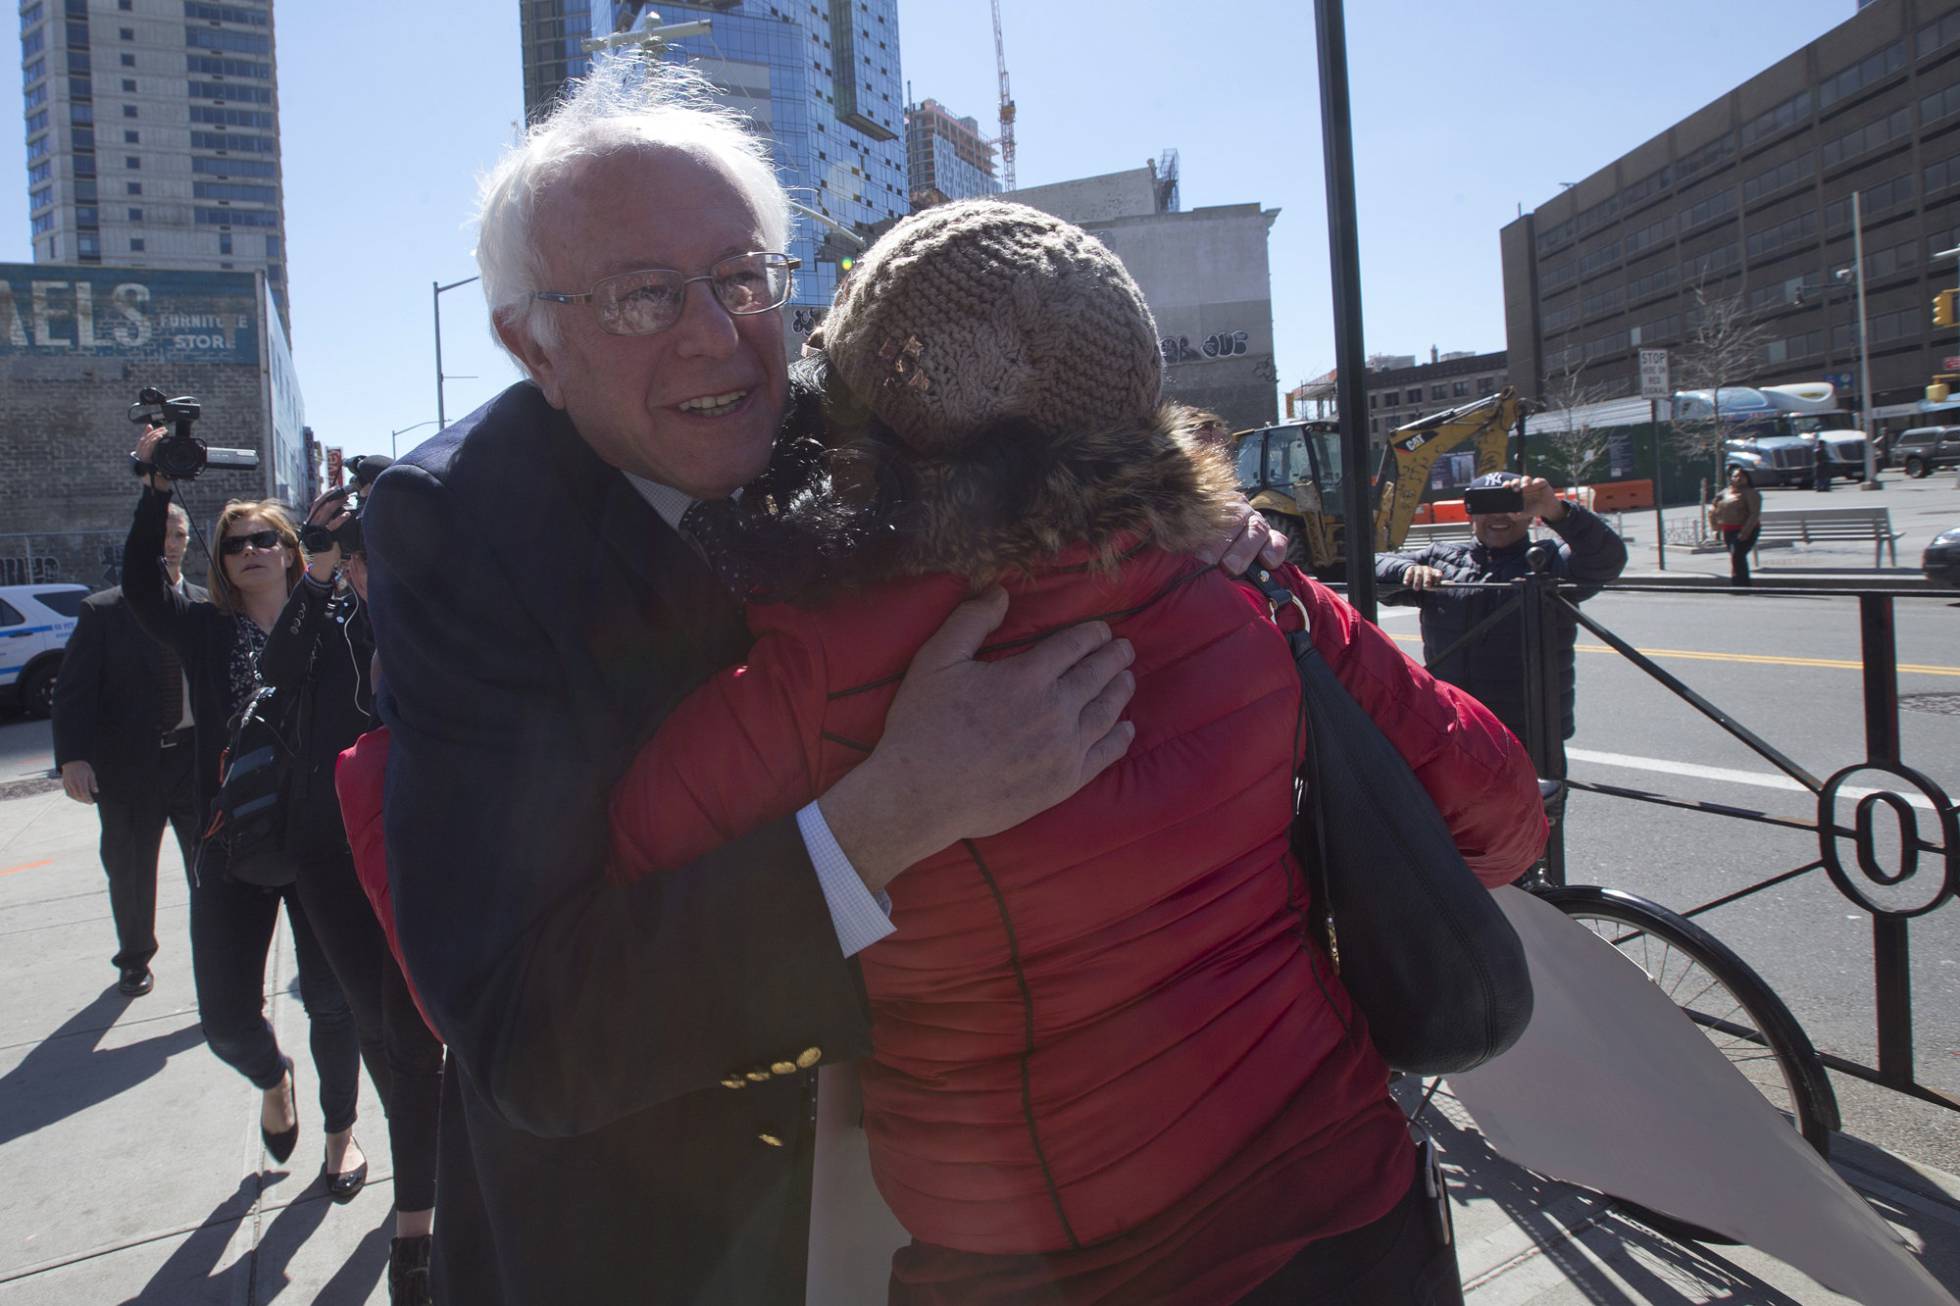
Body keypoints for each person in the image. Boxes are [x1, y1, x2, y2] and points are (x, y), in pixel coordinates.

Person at [357, 59, 1293, 1305]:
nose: (714, 330)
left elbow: (1076, 486)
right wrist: (891, 813)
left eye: (743, 276)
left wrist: (1202, 532)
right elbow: (532, 1029)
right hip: (662, 1231)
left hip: (976, 1195)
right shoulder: (462, 531)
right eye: (641, 297)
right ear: (531, 341)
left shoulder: (862, 412)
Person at [603, 200, 1547, 1304]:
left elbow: (610, 927)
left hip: (1012, 1265)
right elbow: (1502, 816)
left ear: (858, 397)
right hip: (1338, 1218)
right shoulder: (1247, 588)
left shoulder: (802, 673)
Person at [120, 440, 365, 1194]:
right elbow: (138, 583)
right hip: (235, 846)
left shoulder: (341, 616)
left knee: (334, 1002)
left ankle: (340, 1139)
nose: (252, 550)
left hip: (327, 842)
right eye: (236, 543)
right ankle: (272, 1078)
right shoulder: (204, 630)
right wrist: (157, 487)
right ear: (220, 564)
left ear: (294, 552)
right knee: (225, 1017)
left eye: (267, 538)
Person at [259, 469, 441, 1305]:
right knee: (372, 1021)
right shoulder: (319, 615)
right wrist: (320, 570)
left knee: (411, 1031)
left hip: (409, 840)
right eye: (348, 554)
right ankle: (416, 1165)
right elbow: (276, 668)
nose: (364, 567)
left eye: (371, 549)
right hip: (329, 850)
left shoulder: (429, 608)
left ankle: (417, 1221)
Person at [52, 502, 204, 997]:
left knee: (213, 871)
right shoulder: (103, 611)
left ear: (187, 541)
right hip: (128, 768)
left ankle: (223, 958)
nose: (170, 542)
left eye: (178, 533)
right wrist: (73, 758)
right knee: (130, 870)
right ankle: (135, 958)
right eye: (160, 533)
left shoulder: (207, 607)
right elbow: (73, 691)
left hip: (194, 761)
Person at [1375, 472, 1628, 748]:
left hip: (1530, 731)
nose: (1499, 516)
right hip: (1454, 725)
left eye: (1510, 505)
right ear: (1470, 513)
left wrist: (1557, 511)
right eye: (1485, 505)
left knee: (1535, 792)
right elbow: (1368, 564)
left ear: (1530, 513)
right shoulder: (1440, 558)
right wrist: (1406, 570)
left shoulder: (1552, 561)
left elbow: (1608, 559)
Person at [1708, 467, 1763, 587]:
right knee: (1735, 555)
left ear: (1747, 478)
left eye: (1741, 476)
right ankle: (1739, 582)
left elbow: (1754, 513)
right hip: (1728, 529)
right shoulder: (1725, 492)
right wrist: (1715, 526)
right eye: (1735, 476)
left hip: (1745, 529)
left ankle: (1741, 584)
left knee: (1737, 554)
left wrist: (1745, 532)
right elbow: (1713, 507)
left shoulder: (1751, 493)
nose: (1738, 479)